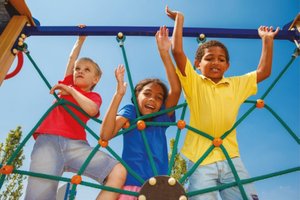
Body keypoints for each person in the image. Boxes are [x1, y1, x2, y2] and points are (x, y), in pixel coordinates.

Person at [165, 6, 279, 200]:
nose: (215, 63)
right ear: (197, 64)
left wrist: (267, 41)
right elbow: (176, 51)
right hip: (200, 159)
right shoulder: (193, 82)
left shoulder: (235, 84)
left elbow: (264, 71)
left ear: (227, 65)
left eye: (221, 59)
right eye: (209, 58)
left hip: (231, 157)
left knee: (245, 196)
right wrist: (179, 20)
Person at [25, 34, 126, 200]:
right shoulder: (68, 82)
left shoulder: (93, 96)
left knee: (117, 170)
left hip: (76, 145)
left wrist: (70, 90)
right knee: (38, 194)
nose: (80, 71)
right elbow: (72, 58)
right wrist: (80, 40)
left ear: (96, 79)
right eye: (78, 69)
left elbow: (92, 110)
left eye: (87, 70)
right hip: (48, 142)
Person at [100, 26, 181, 200]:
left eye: (159, 97)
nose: (153, 99)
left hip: (158, 190)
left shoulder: (161, 118)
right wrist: (118, 95)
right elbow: (106, 134)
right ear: (136, 96)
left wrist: (164, 53)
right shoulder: (132, 112)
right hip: (130, 186)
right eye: (147, 94)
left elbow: (176, 90)